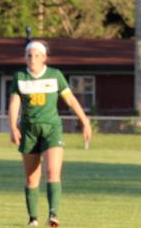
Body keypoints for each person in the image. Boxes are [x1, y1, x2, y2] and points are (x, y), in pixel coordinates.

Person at [8, 40, 92, 227]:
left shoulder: (55, 76)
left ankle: (53, 215)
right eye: (29, 55)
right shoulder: (20, 77)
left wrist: (85, 122)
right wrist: (13, 126)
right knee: (31, 177)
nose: (32, 59)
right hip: (29, 130)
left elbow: (70, 100)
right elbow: (14, 103)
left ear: (44, 58)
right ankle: (33, 219)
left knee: (53, 171)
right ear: (25, 57)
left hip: (52, 129)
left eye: (37, 55)